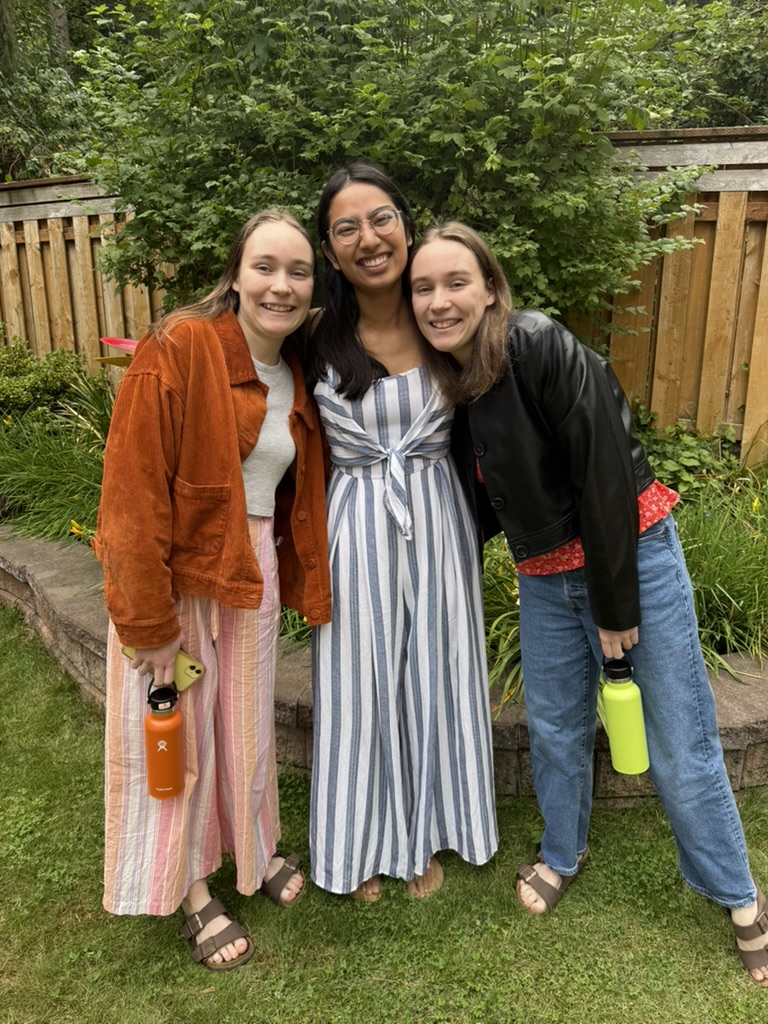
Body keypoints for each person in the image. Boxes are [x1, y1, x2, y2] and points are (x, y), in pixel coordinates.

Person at [409, 219, 768, 986]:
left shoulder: (535, 343)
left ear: (491, 288)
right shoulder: (451, 382)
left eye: (455, 282)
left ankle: (739, 897)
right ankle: (562, 850)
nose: (439, 300)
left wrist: (613, 607)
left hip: (629, 558)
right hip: (543, 575)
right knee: (557, 728)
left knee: (681, 742)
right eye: (423, 288)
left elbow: (606, 473)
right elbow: (480, 505)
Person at [93, 211, 332, 971]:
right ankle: (191, 888)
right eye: (266, 267)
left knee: (243, 728)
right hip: (181, 581)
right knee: (176, 738)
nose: (281, 285)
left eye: (298, 272)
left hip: (249, 572)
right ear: (235, 273)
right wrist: (147, 623)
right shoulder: (182, 346)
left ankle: (254, 853)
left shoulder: (294, 369)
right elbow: (130, 497)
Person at [307, 162, 498, 902]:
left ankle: (427, 831)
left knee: (438, 673)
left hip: (440, 518)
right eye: (346, 227)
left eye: (380, 218)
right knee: (359, 687)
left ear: (407, 226)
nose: (368, 238)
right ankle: (359, 839)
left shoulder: (446, 320)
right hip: (354, 521)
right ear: (330, 250)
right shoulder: (315, 338)